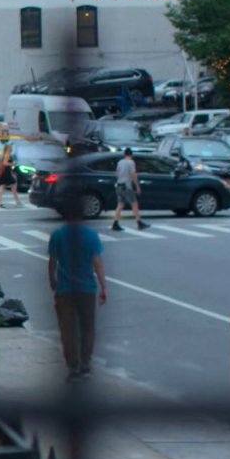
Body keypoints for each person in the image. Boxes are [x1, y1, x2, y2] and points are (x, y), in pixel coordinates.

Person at [48, 196, 109, 382]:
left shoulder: (57, 235)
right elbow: (97, 263)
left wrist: (52, 280)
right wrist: (103, 287)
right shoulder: (91, 236)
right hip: (87, 289)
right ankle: (85, 363)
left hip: (65, 289)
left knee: (68, 329)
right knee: (87, 328)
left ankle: (72, 365)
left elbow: (52, 262)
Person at [112, 148, 149, 231]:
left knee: (120, 205)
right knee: (134, 204)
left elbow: (116, 174)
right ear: (131, 155)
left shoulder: (120, 162)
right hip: (127, 186)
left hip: (119, 185)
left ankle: (115, 223)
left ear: (124, 154)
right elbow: (133, 175)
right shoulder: (131, 162)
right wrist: (137, 187)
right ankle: (139, 222)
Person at [0, 143, 21, 208]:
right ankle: (17, 202)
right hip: (6, 172)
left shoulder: (6, 154)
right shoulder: (7, 154)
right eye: (10, 147)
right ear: (8, 148)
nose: (12, 148)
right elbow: (5, 163)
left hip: (6, 172)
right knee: (11, 186)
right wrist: (12, 163)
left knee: (4, 187)